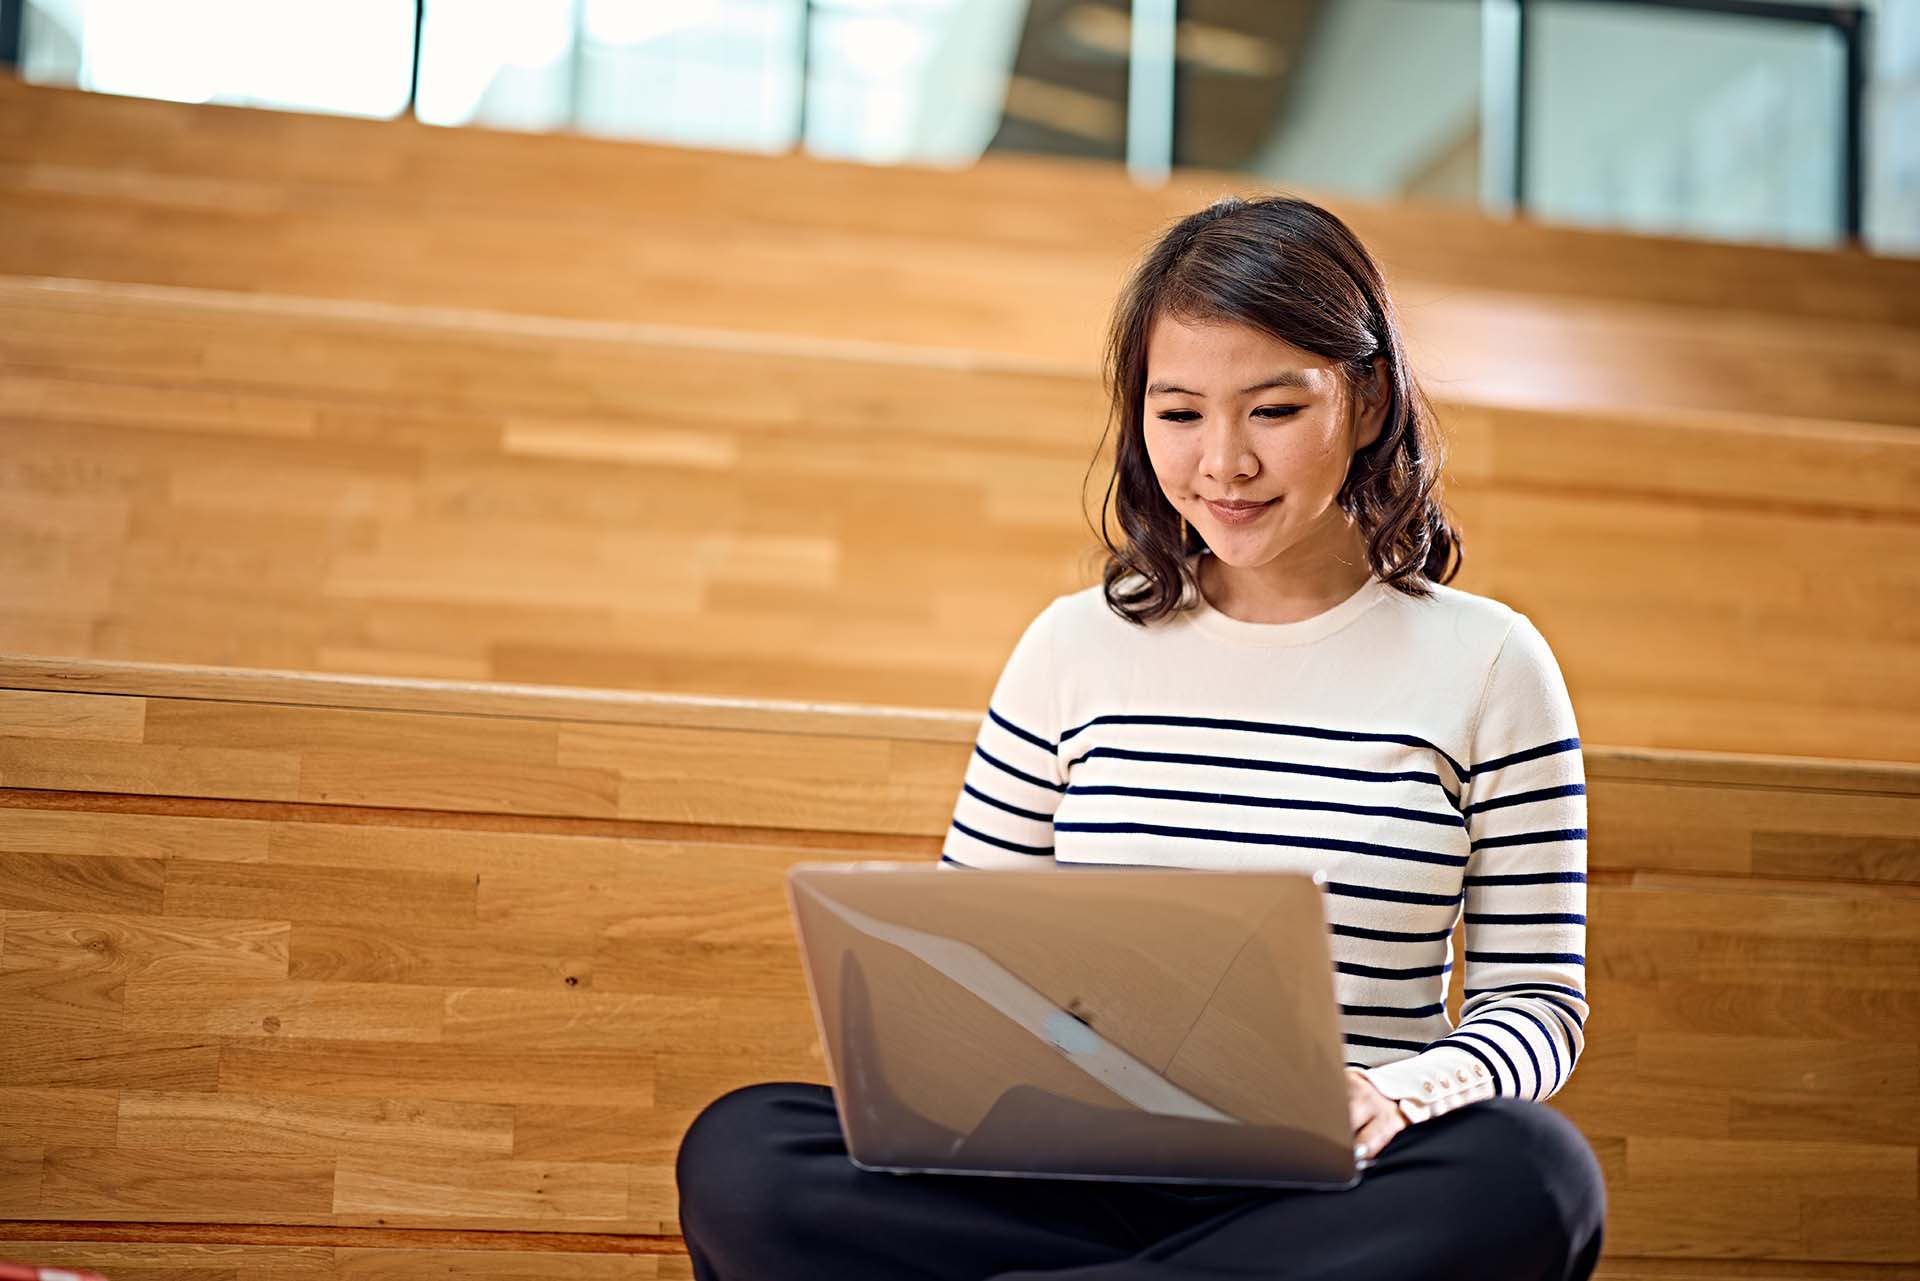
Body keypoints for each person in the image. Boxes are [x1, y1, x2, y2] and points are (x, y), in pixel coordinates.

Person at [675, 194, 1606, 1280]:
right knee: (748, 1156)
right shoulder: (1073, 648)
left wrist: (1396, 1093)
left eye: (1272, 410)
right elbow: (961, 962)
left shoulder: (1492, 664)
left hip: (1334, 1193)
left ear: (1365, 402)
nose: (1224, 464)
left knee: (1532, 1176)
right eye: (1179, 414)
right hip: (1067, 1179)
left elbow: (1536, 1005)